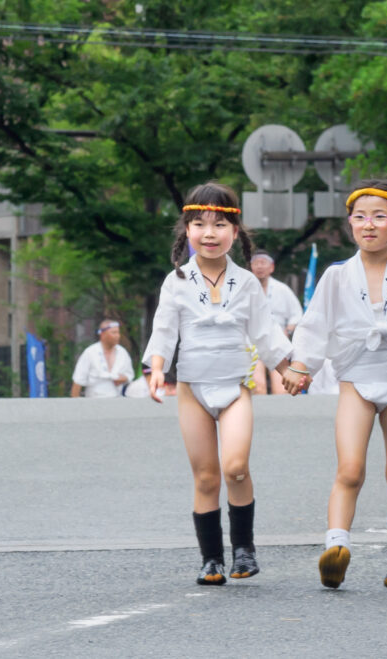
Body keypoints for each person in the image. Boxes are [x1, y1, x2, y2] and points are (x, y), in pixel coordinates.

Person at [283, 179, 387, 590]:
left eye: (379, 217)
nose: (368, 225)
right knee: (350, 470)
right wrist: (301, 366)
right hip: (355, 379)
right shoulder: (336, 276)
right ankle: (336, 547)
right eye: (360, 217)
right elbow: (314, 326)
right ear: (351, 224)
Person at [144, 182, 293, 586]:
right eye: (199, 224)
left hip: (234, 389)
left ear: (235, 231)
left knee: (236, 468)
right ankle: (211, 559)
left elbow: (266, 334)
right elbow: (164, 331)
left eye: (219, 224)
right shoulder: (175, 281)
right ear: (186, 231)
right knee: (207, 477)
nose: (209, 233)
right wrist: (157, 368)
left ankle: (243, 549)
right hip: (193, 391)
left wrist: (287, 369)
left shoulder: (246, 283)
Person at [248, 249, 303, 395]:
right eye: (256, 263)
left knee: (281, 387)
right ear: (251, 267)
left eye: (263, 263)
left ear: (271, 267)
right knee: (257, 386)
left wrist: (288, 330)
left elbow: (297, 314)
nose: (259, 266)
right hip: (253, 343)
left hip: (278, 341)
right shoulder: (245, 289)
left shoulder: (282, 289)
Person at [70, 319, 135, 398]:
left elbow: (130, 375)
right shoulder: (90, 352)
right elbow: (78, 380)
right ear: (102, 334)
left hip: (116, 400)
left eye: (118, 332)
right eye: (113, 332)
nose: (118, 335)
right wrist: (76, 405)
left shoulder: (122, 352)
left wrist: (123, 378)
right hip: (93, 401)